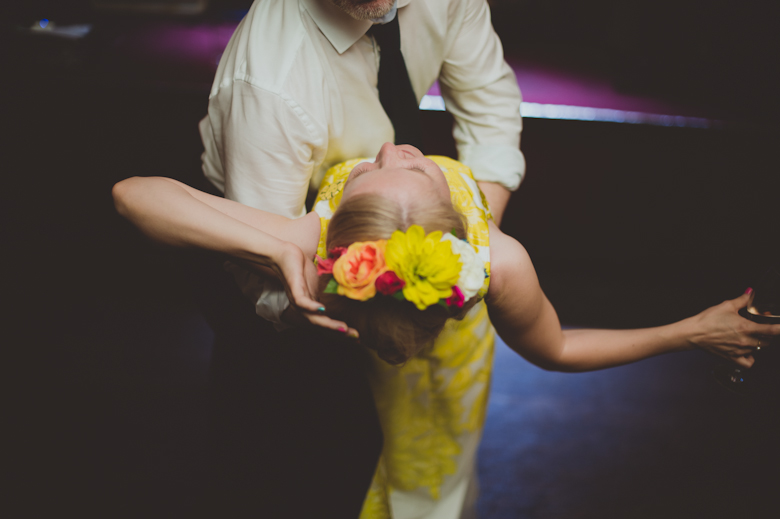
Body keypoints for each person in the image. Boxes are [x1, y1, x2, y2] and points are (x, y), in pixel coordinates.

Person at [113, 142, 779, 518]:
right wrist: (277, 248)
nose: (388, 147)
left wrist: (692, 331)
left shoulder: (322, 236)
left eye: (400, 165)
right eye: (384, 168)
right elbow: (557, 345)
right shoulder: (481, 255)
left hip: (445, 393)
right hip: (361, 397)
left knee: (430, 490)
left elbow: (134, 191)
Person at [195, 0, 524, 513]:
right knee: (299, 474)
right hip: (291, 293)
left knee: (433, 459)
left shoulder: (485, 257)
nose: (397, 150)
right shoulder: (269, 84)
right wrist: (347, 303)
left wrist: (470, 236)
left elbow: (491, 112)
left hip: (413, 265)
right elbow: (261, 274)